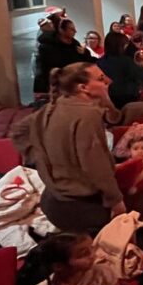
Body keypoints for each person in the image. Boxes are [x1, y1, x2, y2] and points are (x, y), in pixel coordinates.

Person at [14, 63, 124, 234]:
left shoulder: (52, 107)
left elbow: (18, 132)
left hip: (53, 199)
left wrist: (42, 160)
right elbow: (95, 164)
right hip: (81, 207)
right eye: (101, 79)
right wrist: (116, 200)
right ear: (83, 87)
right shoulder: (87, 114)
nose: (108, 81)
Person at [33, 18, 95, 94]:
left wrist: (85, 53)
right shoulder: (47, 46)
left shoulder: (74, 44)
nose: (75, 31)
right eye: (71, 29)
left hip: (74, 84)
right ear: (61, 30)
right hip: (57, 87)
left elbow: (84, 61)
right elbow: (47, 70)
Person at [97, 31, 143, 109]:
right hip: (127, 97)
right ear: (120, 45)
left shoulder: (99, 62)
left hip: (106, 97)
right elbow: (141, 75)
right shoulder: (126, 61)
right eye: (125, 44)